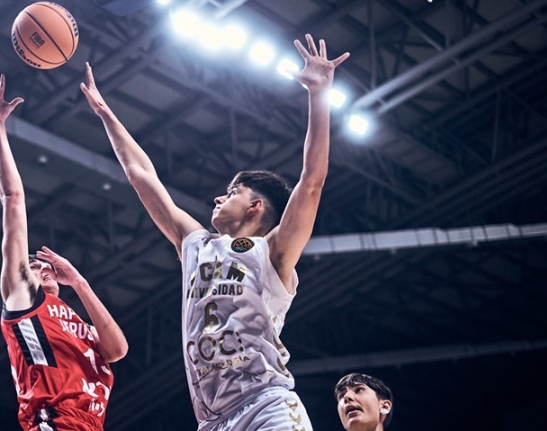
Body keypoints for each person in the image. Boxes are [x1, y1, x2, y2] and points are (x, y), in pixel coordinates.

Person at [81, 34, 349, 430]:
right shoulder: (195, 245)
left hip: (265, 405)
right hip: (213, 421)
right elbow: (142, 177)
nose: (217, 198)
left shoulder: (272, 252)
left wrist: (319, 95)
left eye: (232, 193)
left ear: (256, 206)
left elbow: (311, 181)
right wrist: (106, 114)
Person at [0, 69, 128, 431]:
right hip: (54, 423)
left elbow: (116, 351)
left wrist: (79, 282)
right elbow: (13, 200)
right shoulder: (23, 300)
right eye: (34, 265)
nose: (42, 267)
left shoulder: (72, 320)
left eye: (45, 265)